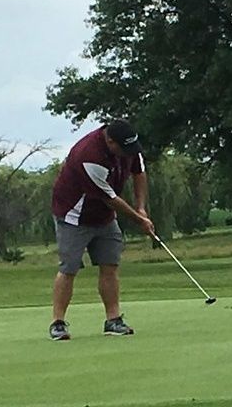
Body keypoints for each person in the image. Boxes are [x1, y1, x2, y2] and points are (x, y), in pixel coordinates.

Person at [48, 120, 152, 340]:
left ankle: (113, 320)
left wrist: (141, 208)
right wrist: (138, 220)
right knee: (69, 268)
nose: (128, 154)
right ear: (110, 141)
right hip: (73, 215)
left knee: (110, 265)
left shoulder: (129, 146)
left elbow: (139, 173)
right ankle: (57, 323)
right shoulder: (88, 155)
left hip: (104, 217)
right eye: (123, 150)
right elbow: (111, 198)